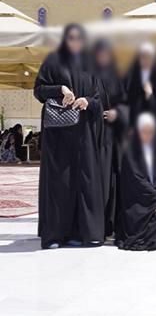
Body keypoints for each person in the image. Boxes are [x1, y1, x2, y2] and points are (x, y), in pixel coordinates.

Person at [33, 24, 104, 249]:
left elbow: (99, 100)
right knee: (59, 182)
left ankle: (78, 232)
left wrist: (87, 101)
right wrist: (60, 89)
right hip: (59, 136)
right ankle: (55, 234)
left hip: (83, 135)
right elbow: (38, 91)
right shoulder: (53, 62)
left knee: (82, 181)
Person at [117, 113, 156, 251]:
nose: (147, 135)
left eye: (150, 132)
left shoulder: (155, 154)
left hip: (155, 202)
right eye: (144, 131)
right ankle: (144, 240)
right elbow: (138, 184)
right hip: (138, 205)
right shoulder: (131, 154)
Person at [90, 40, 129, 238]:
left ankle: (118, 222)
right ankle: (101, 225)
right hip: (98, 135)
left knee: (119, 177)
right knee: (102, 178)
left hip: (119, 135)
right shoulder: (90, 76)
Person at [122, 43, 156, 128]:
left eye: (149, 57)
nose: (146, 61)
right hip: (133, 124)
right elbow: (125, 101)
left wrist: (149, 95)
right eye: (143, 57)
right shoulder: (130, 78)